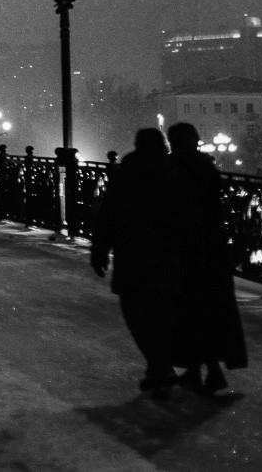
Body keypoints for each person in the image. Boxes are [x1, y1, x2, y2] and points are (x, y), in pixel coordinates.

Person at [91, 127, 189, 399]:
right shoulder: (173, 173)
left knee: (136, 313)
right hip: (165, 255)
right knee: (163, 313)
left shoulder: (126, 174)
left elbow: (108, 215)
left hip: (132, 253)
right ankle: (160, 366)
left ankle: (157, 366)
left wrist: (99, 251)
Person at [168, 121, 248, 394]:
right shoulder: (206, 167)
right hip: (210, 248)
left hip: (185, 248)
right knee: (209, 308)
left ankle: (204, 370)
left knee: (189, 309)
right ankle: (205, 370)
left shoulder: (173, 167)